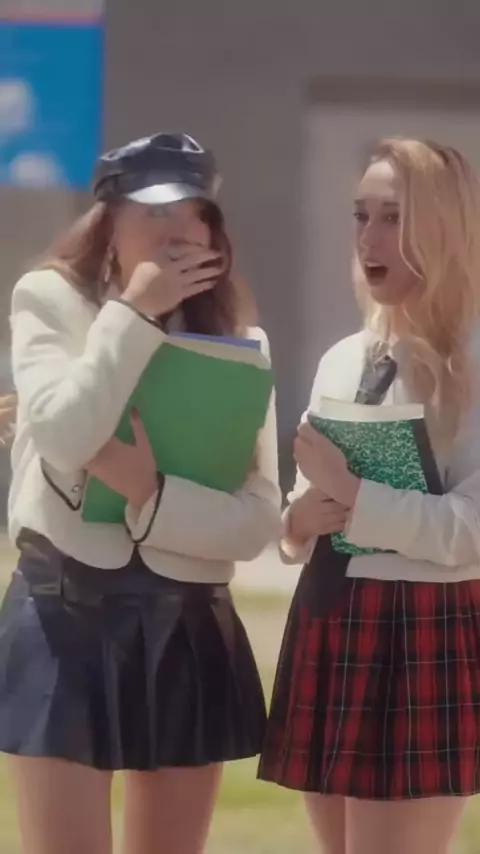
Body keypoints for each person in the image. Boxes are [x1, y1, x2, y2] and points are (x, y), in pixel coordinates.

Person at [0, 131, 281, 854]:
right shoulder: (49, 300)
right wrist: (133, 313)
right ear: (109, 220)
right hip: (63, 611)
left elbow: (257, 521)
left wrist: (149, 496)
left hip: (185, 618)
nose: (175, 230)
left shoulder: (241, 339)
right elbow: (65, 434)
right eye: (153, 211)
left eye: (193, 212)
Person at [258, 137, 480, 854]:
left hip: (422, 631)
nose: (369, 238)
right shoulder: (343, 357)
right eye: (361, 216)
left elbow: (472, 530)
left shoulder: (474, 362)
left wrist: (355, 495)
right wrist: (297, 522)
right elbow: (305, 505)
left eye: (393, 217)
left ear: (442, 230)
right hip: (332, 615)